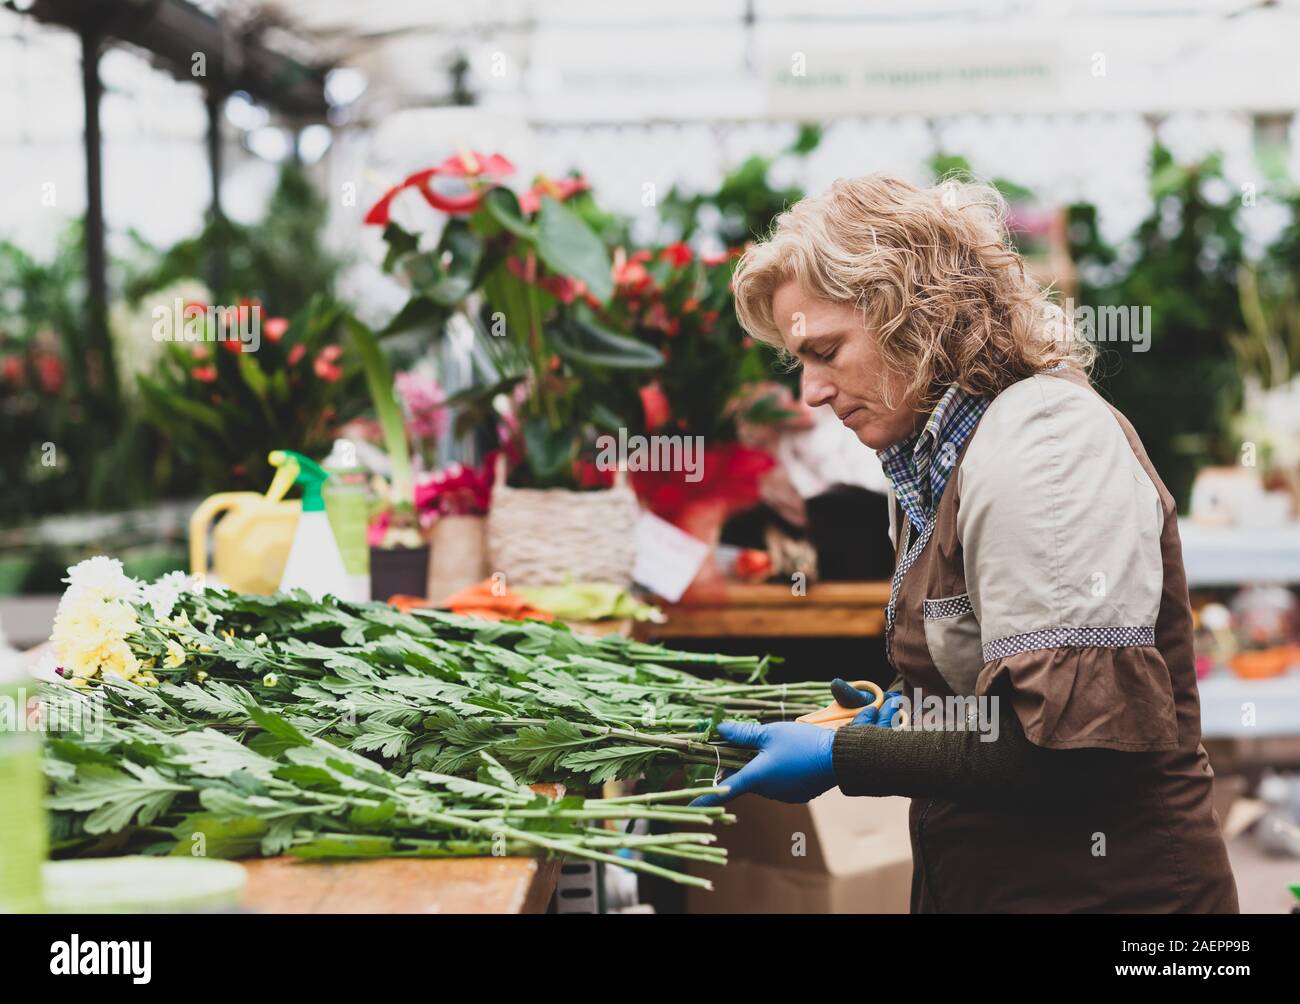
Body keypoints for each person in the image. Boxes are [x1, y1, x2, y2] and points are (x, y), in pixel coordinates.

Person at [694, 174, 1239, 914]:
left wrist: (843, 756)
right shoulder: (934, 458)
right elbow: (1004, 692)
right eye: (802, 364)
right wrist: (914, 714)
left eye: (826, 351)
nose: (811, 394)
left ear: (908, 314)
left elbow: (1077, 749)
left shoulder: (1045, 447)